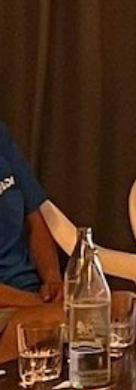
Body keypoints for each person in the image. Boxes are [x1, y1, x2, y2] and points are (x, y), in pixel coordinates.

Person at [0, 122, 65, 362]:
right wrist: (37, 303)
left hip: (32, 292)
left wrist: (52, 279)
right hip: (11, 302)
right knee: (58, 319)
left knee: (122, 307)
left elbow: (34, 220)